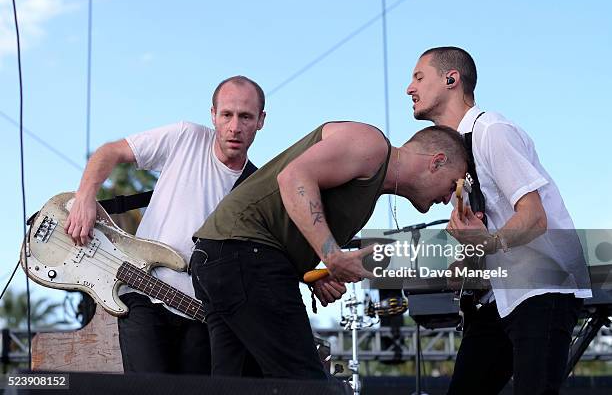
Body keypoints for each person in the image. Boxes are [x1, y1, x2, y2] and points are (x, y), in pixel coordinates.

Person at [190, 121, 468, 379]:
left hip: (222, 255)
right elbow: (294, 177)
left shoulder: (369, 192)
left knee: (238, 383)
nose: (448, 200)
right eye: (455, 185)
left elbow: (286, 222)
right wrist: (332, 255)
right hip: (242, 253)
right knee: (305, 381)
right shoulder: (372, 144)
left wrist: (309, 272)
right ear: (437, 162)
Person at [407, 46, 592, 395]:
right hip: (500, 297)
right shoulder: (464, 149)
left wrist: (487, 244)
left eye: (418, 77)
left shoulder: (492, 131)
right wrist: (470, 262)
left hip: (542, 286)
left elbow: (534, 217)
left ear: (451, 79)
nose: (409, 89)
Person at [64, 75, 266, 374]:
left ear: (261, 120)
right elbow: (111, 151)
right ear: (213, 115)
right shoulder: (185, 137)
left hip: (200, 314)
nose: (235, 127)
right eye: (227, 115)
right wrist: (84, 197)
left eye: (246, 117)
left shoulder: (257, 187)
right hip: (142, 293)